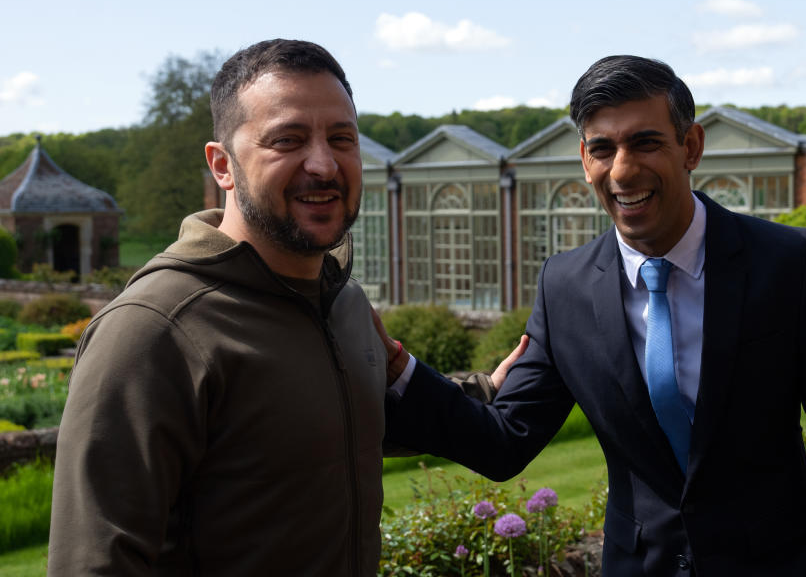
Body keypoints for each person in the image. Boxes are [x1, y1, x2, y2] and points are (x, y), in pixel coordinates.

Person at [383, 55, 806, 576]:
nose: (623, 170)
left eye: (646, 142)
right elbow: (503, 441)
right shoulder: (563, 286)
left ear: (691, 146)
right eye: (603, 149)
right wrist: (401, 372)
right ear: (585, 160)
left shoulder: (787, 263)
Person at [47, 39, 516, 576]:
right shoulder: (155, 331)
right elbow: (94, 562)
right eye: (286, 140)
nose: (323, 164)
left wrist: (487, 393)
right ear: (222, 165)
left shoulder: (342, 301)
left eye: (342, 139)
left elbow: (341, 423)